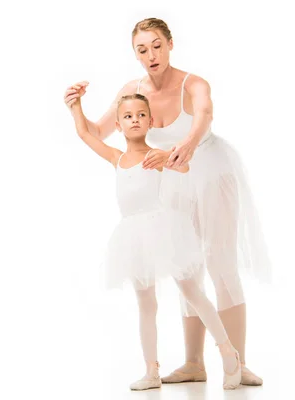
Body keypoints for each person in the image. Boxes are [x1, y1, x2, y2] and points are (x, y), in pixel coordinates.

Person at [64, 17, 270, 386]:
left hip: (207, 171)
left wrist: (184, 146)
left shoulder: (193, 83)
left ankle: (238, 359)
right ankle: (194, 362)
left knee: (220, 261)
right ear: (135, 54)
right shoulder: (133, 91)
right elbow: (97, 132)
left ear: (170, 44)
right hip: (166, 177)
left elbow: (204, 115)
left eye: (157, 45)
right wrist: (76, 104)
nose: (151, 54)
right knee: (185, 267)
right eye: (142, 49)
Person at [70, 93, 242, 390]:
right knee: (146, 303)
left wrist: (169, 158)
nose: (134, 119)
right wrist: (75, 106)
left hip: (164, 230)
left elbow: (186, 167)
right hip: (133, 237)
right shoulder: (117, 158)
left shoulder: (157, 156)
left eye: (140, 115)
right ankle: (151, 370)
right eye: (127, 116)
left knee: (192, 291)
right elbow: (85, 133)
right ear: (119, 124)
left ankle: (228, 351)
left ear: (150, 121)